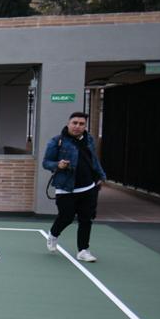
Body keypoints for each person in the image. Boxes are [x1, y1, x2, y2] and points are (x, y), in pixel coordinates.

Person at [43, 111, 106, 262]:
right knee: (66, 217)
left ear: (85, 126)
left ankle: (83, 250)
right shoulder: (56, 141)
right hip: (66, 188)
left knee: (86, 219)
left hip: (88, 187)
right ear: (68, 124)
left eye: (81, 124)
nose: (77, 126)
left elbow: (94, 160)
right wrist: (58, 164)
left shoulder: (89, 139)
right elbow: (46, 163)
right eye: (75, 123)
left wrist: (101, 176)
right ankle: (53, 234)